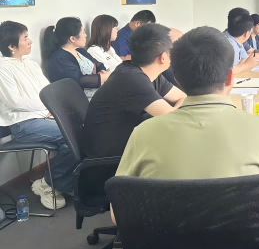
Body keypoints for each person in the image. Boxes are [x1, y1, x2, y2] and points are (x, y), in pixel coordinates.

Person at [112, 26, 259, 223]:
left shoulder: (144, 133)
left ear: (176, 77)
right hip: (241, 242)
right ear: (230, 77)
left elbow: (117, 214)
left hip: (166, 242)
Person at [0, 21, 76, 210]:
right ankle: (52, 184)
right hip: (23, 124)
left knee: (78, 134)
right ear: (11, 46)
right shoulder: (3, 68)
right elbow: (15, 102)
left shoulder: (31, 64)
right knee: (74, 136)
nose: (30, 41)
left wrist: (53, 106)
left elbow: (48, 90)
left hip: (45, 116)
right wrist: (46, 106)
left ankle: (52, 182)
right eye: (25, 38)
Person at [83, 24, 186, 158]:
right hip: (110, 159)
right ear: (163, 57)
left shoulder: (146, 72)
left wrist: (176, 108)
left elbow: (182, 97)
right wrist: (177, 109)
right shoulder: (131, 78)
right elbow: (173, 119)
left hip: (129, 142)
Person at [42, 17, 110, 99]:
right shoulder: (59, 58)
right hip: (80, 101)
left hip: (96, 95)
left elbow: (98, 64)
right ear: (72, 39)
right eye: (83, 32)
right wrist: (104, 77)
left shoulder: (80, 50)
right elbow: (77, 81)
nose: (86, 35)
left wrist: (102, 72)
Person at [224, 9, 258, 74]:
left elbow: (244, 58)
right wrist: (246, 65)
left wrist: (241, 67)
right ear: (246, 33)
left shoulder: (237, 41)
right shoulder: (226, 45)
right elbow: (224, 72)